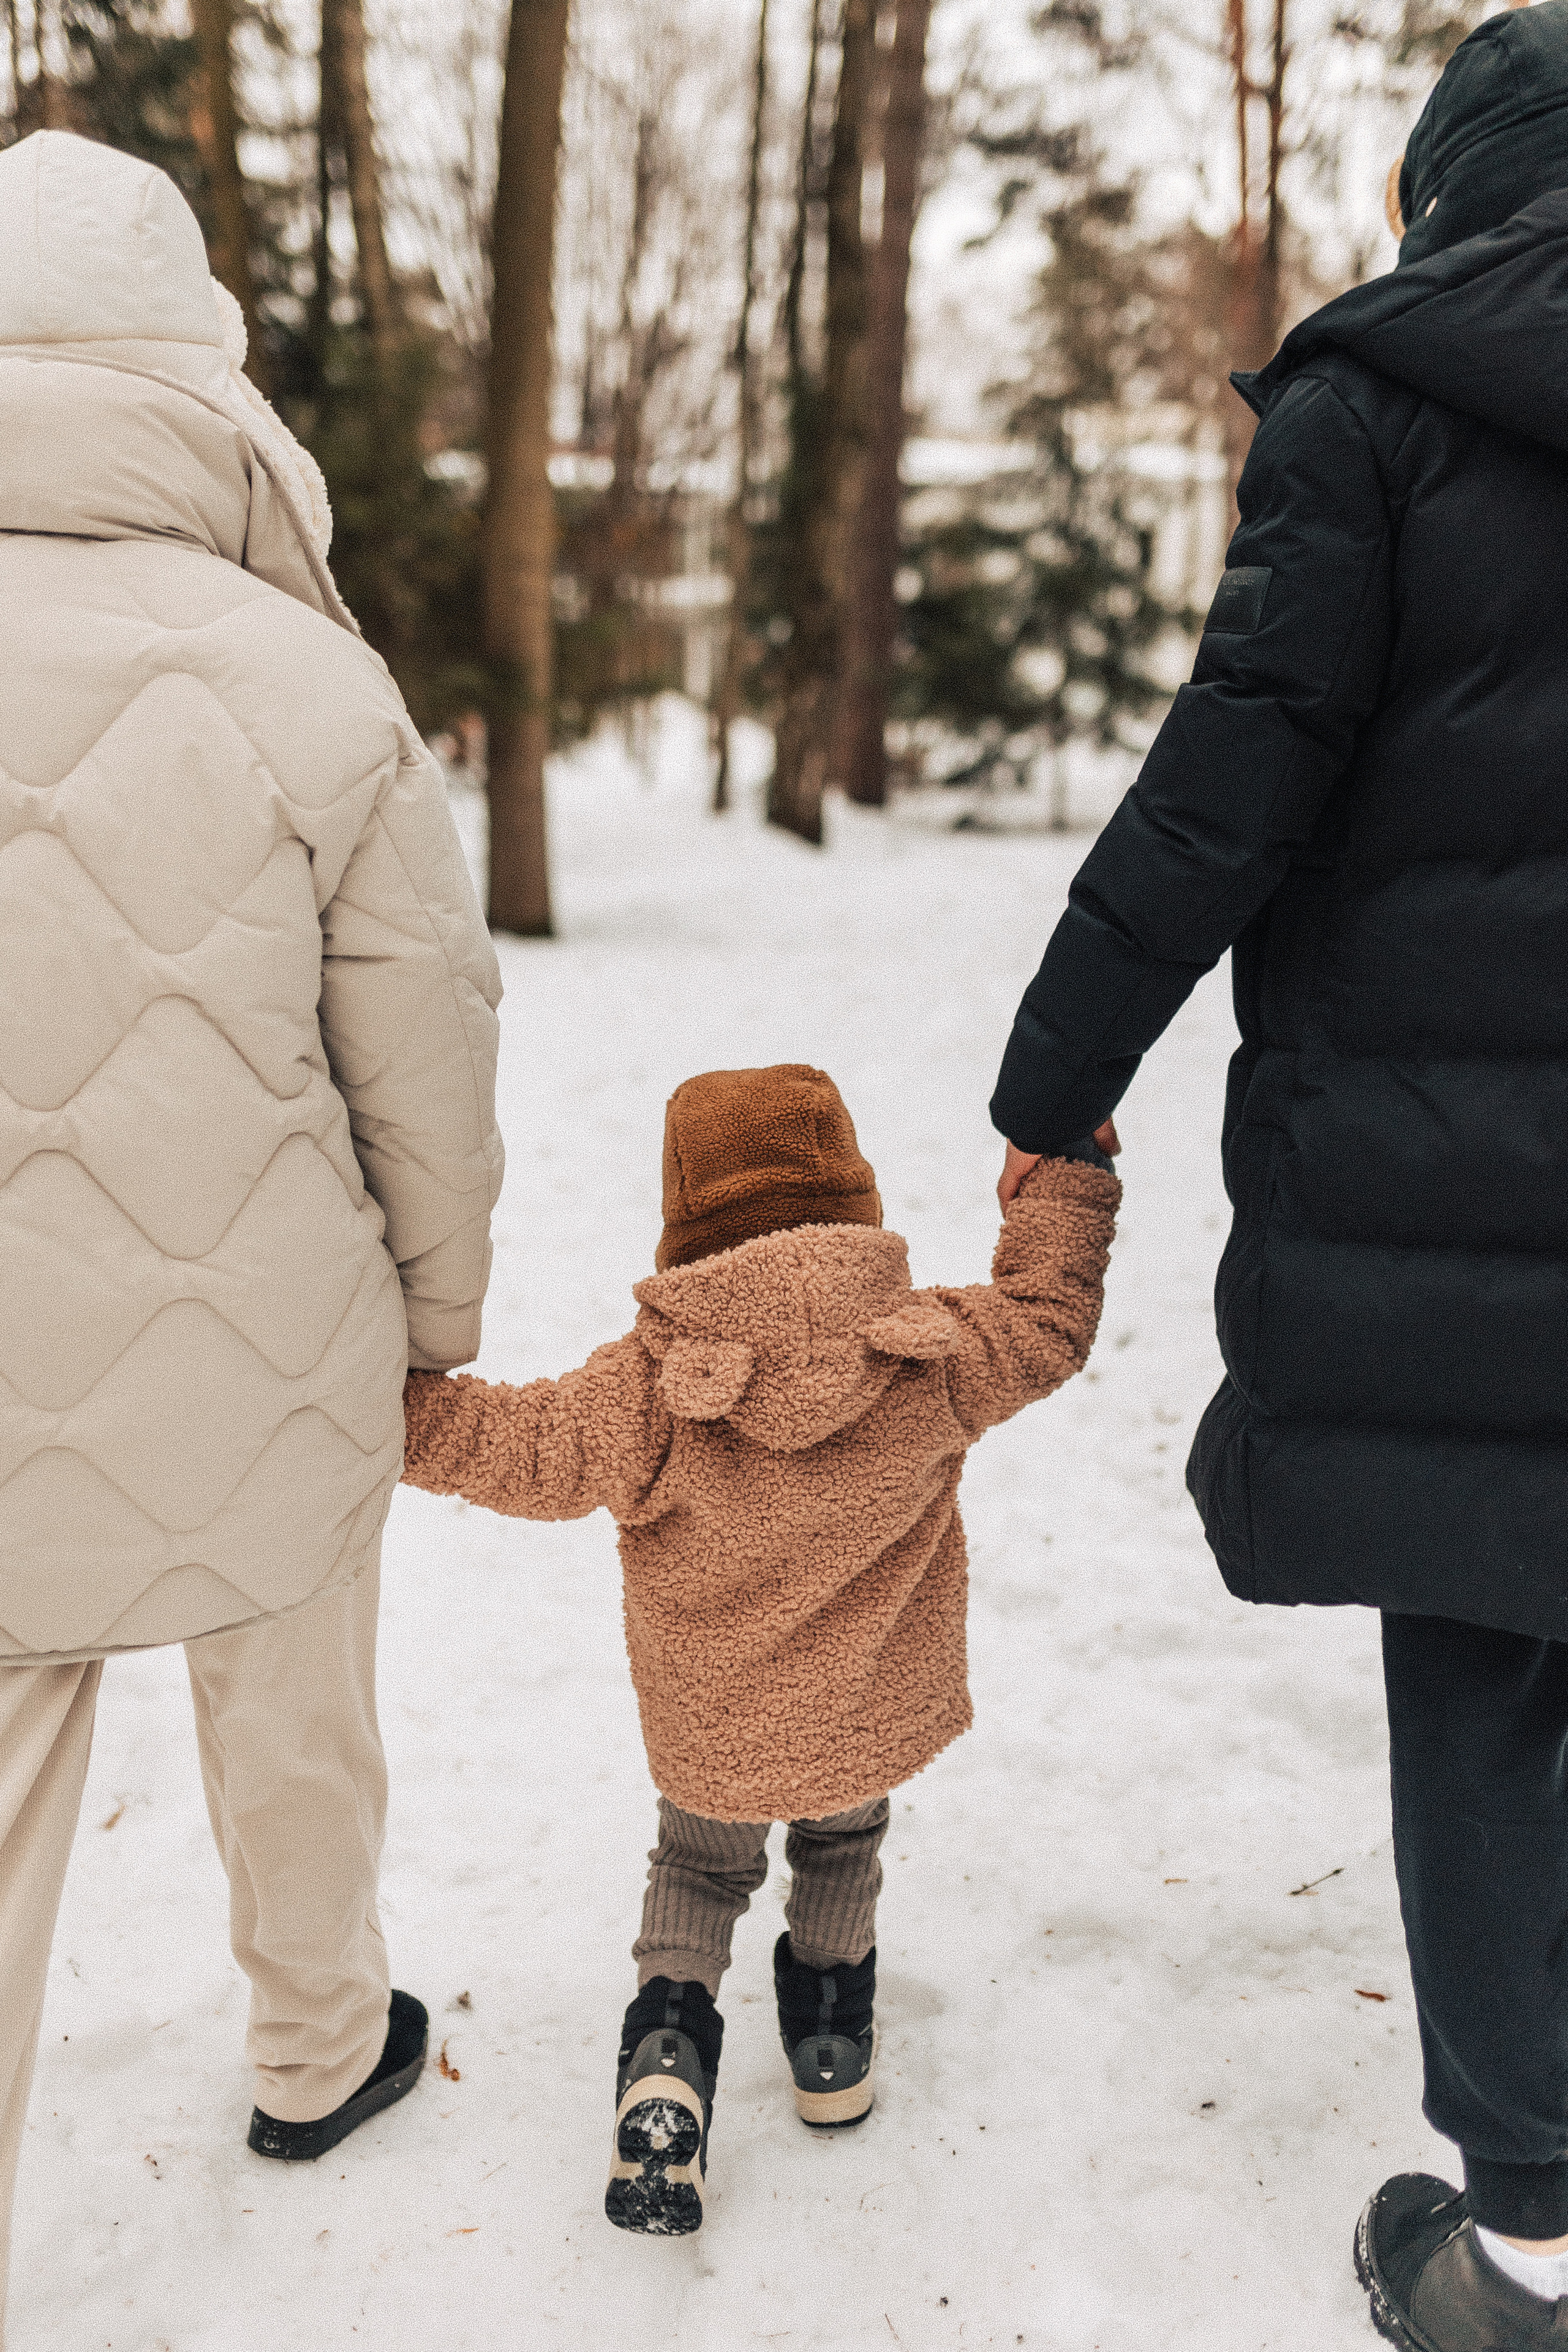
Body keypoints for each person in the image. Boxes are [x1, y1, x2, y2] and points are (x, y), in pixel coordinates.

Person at [987, 7, 1568, 2344]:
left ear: (1445, 191)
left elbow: (1243, 764)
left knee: (1494, 1645)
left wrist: (1059, 1067)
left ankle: (1528, 2238)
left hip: (1451, 1198)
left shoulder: (1381, 410)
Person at [0, 130, 502, 2337]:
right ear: (200, 374)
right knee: (292, 1720)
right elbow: (432, 1056)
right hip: (269, 1348)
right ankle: (318, 2055)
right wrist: (439, 1320)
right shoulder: (311, 683)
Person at [400, 1063, 1118, 2235]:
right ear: (854, 1193)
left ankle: (667, 2070)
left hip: (715, 1730)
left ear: (683, 1220)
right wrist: (1066, 1180)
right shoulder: (930, 1351)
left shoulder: (646, 1389)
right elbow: (1049, 1320)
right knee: (844, 1843)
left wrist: (372, 1402)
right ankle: (832, 2048)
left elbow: (513, 1445)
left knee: (698, 1870)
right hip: (867, 1709)